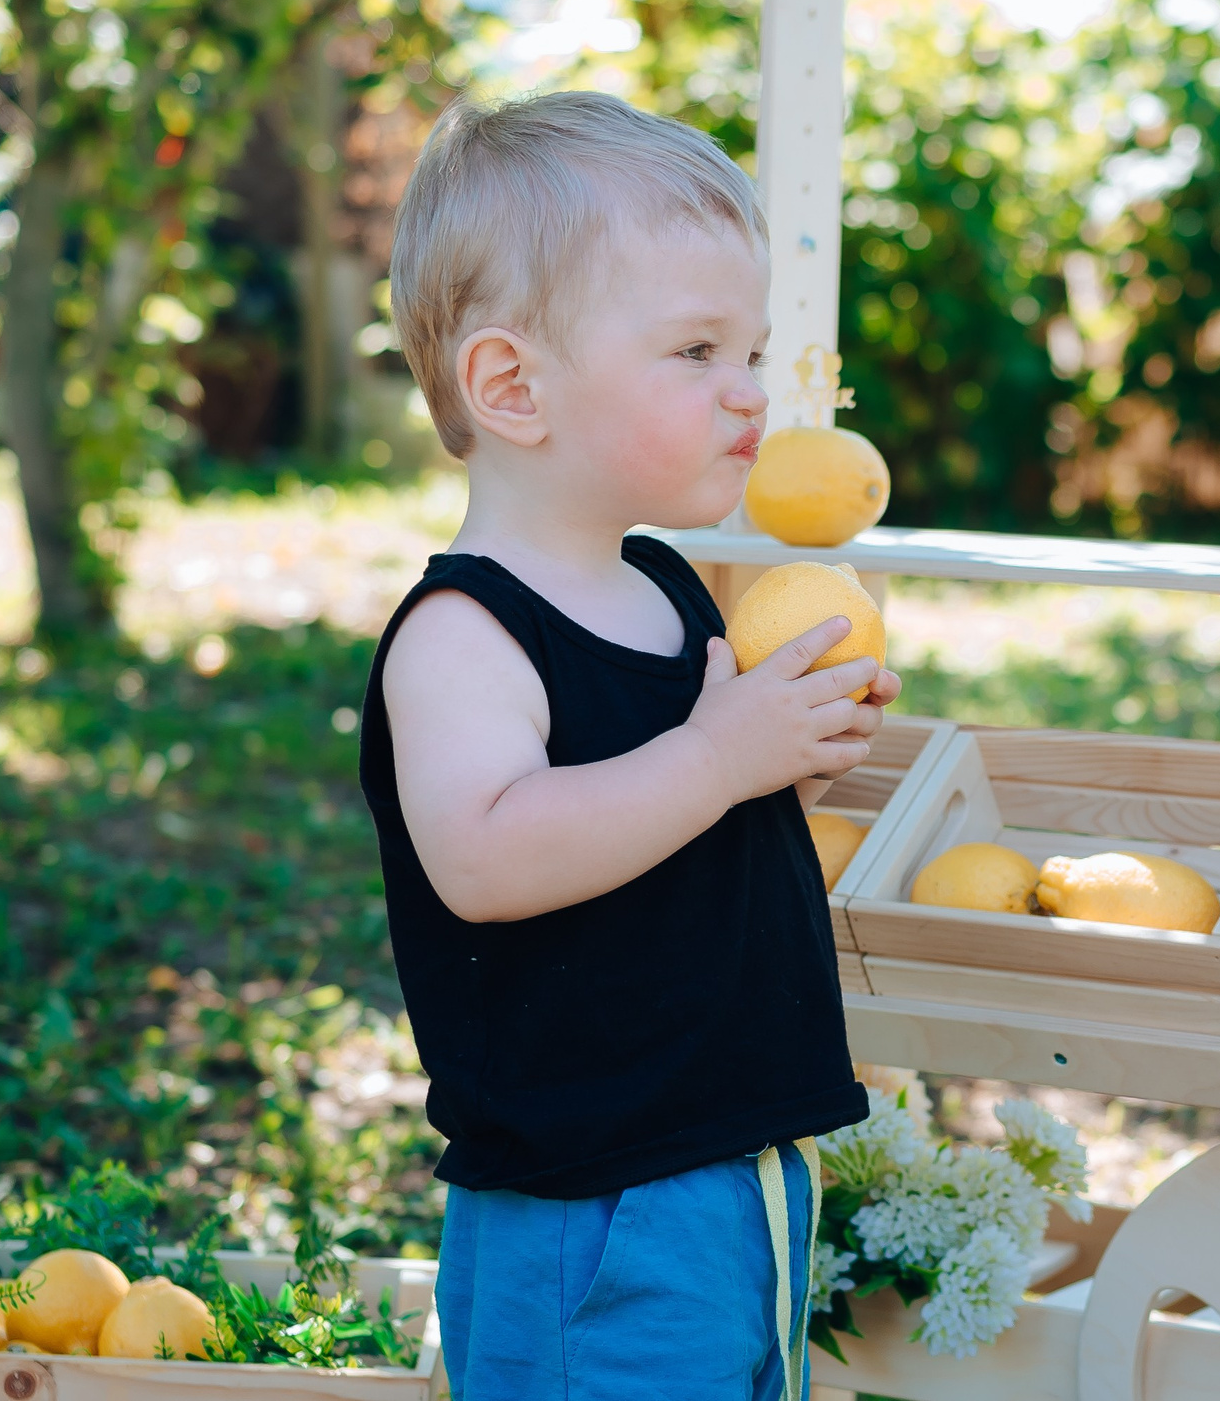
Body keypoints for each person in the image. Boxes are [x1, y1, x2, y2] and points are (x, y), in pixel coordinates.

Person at [358, 90, 892, 1398]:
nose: (751, 394)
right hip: (593, 1204)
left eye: (752, 352)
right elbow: (485, 857)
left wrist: (786, 759)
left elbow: (670, 814)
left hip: (729, 1161)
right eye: (698, 351)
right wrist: (719, 760)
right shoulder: (462, 634)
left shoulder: (661, 584)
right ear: (512, 386)